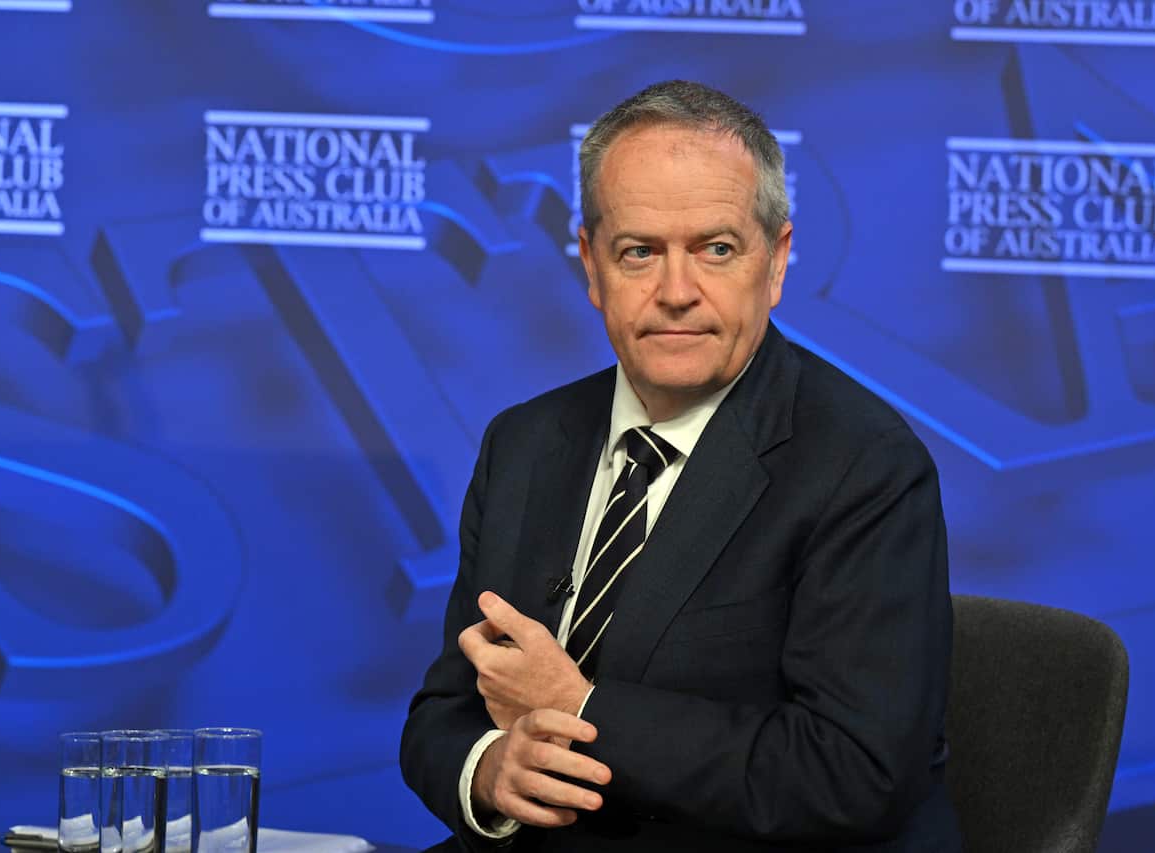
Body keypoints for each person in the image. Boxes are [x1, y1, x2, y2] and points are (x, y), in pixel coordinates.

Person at [400, 80, 961, 852]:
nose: (676, 292)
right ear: (592, 266)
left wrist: (584, 708)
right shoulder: (524, 444)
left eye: (716, 249)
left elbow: (854, 772)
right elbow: (442, 712)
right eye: (639, 253)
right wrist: (490, 768)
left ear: (777, 262)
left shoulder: (865, 467)